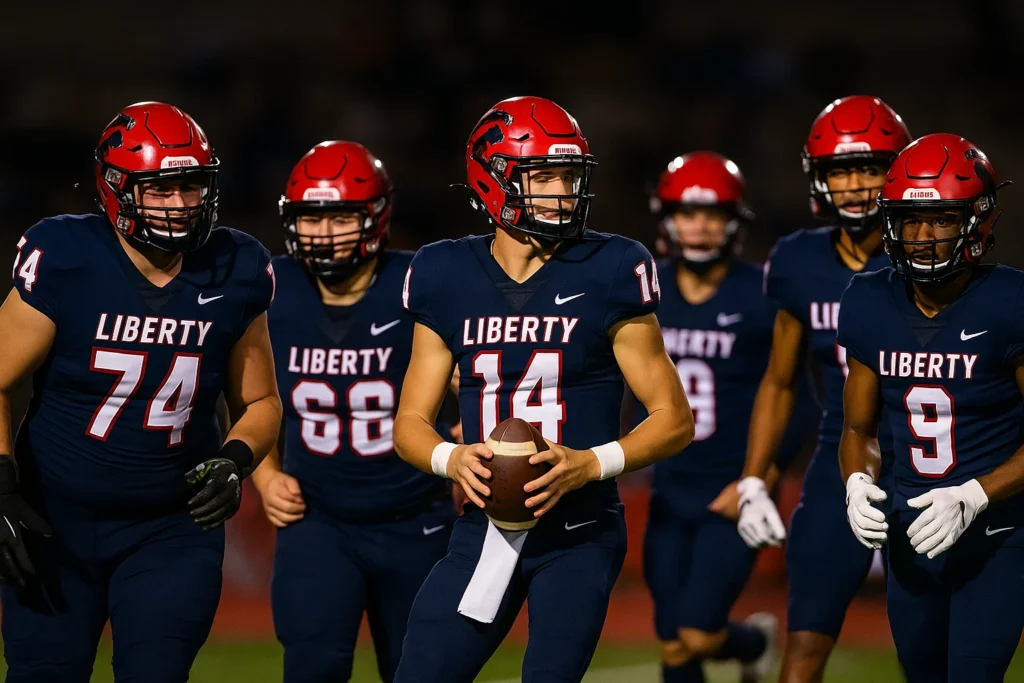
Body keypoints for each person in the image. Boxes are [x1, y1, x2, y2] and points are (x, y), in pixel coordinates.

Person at [391, 96, 694, 683]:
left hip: (579, 531)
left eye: (570, 176)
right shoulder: (444, 273)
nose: (564, 192)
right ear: (493, 179)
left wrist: (589, 463)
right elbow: (409, 424)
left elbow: (673, 418)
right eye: (545, 176)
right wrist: (452, 458)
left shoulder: (611, 266)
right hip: (484, 527)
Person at [0, 101, 280, 682]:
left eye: (192, 187)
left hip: (170, 527)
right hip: (54, 520)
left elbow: (260, 402)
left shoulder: (237, 266)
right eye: (161, 189)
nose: (180, 205)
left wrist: (235, 460)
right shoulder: (66, 258)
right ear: (117, 189)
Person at [253, 140, 455, 682]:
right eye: (310, 219)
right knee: (312, 665)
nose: (323, 234)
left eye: (339, 216)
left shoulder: (420, 284)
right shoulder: (270, 288)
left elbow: (482, 373)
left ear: (375, 216)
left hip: (416, 515)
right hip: (317, 519)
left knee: (420, 672)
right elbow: (247, 395)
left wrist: (472, 435)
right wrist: (266, 474)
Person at [732, 95, 911, 682]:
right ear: (819, 178)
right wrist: (756, 477)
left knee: (941, 648)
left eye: (870, 168)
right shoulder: (797, 260)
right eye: (840, 170)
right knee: (805, 639)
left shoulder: (933, 251)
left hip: (937, 456)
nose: (856, 184)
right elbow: (780, 380)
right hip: (843, 454)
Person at [838, 133, 1024, 683]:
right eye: (909, 220)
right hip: (911, 531)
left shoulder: (1010, 301)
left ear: (978, 219)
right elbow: (858, 426)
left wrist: (977, 493)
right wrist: (855, 481)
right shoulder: (869, 299)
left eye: (941, 219)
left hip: (997, 533)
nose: (921, 237)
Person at [642, 151, 821, 683]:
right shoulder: (643, 290)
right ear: (667, 217)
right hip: (667, 488)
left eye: (713, 213)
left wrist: (758, 478)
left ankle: (752, 642)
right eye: (688, 212)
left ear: (734, 220)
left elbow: (802, 400)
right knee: (674, 645)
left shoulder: (764, 291)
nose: (699, 226)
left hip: (732, 489)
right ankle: (751, 644)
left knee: (697, 633)